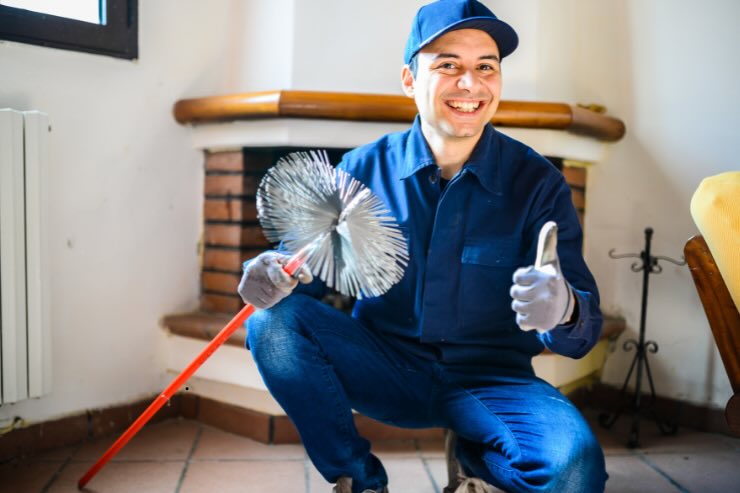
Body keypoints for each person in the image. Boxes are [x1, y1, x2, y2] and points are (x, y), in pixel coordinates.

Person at [238, 1, 607, 492]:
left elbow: (580, 335)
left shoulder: (537, 182)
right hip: (383, 366)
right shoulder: (358, 173)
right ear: (410, 80)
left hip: (494, 381)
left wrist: (563, 309)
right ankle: (359, 480)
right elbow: (294, 281)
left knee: (574, 470)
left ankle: (477, 460)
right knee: (271, 323)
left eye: (485, 68)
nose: (470, 85)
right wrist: (268, 275)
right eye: (448, 66)